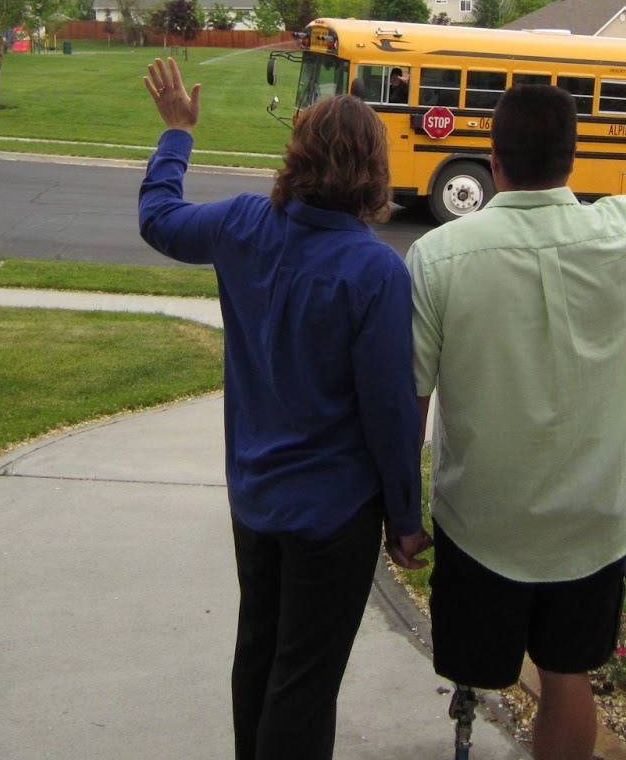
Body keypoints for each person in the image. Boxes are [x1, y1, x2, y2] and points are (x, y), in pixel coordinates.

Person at [406, 15, 626, 760]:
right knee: (567, 674)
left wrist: (401, 512)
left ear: (494, 157)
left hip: (483, 519)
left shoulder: (437, 256)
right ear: (571, 158)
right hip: (595, 518)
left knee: (477, 668)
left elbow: (412, 401)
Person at [137, 57, 430, 760]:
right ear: (372, 169)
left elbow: (158, 218)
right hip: (333, 518)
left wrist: (178, 133)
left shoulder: (243, 224)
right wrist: (405, 520)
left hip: (256, 499)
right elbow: (391, 414)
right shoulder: (375, 270)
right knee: (304, 682)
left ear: (297, 154)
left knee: (260, 657)